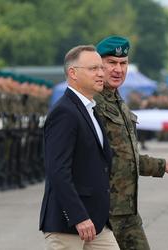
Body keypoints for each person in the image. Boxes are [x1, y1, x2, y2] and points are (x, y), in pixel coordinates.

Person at [94, 36, 168, 250]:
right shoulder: (92, 103)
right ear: (99, 66)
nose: (118, 69)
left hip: (127, 212)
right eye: (111, 63)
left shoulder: (118, 103)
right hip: (101, 213)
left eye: (123, 63)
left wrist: (163, 165)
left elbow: (124, 157)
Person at [39, 45, 120, 250]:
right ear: (73, 73)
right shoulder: (65, 113)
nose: (101, 73)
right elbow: (57, 170)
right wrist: (78, 215)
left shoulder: (90, 110)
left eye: (101, 68)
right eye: (93, 69)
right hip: (69, 224)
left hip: (96, 222)